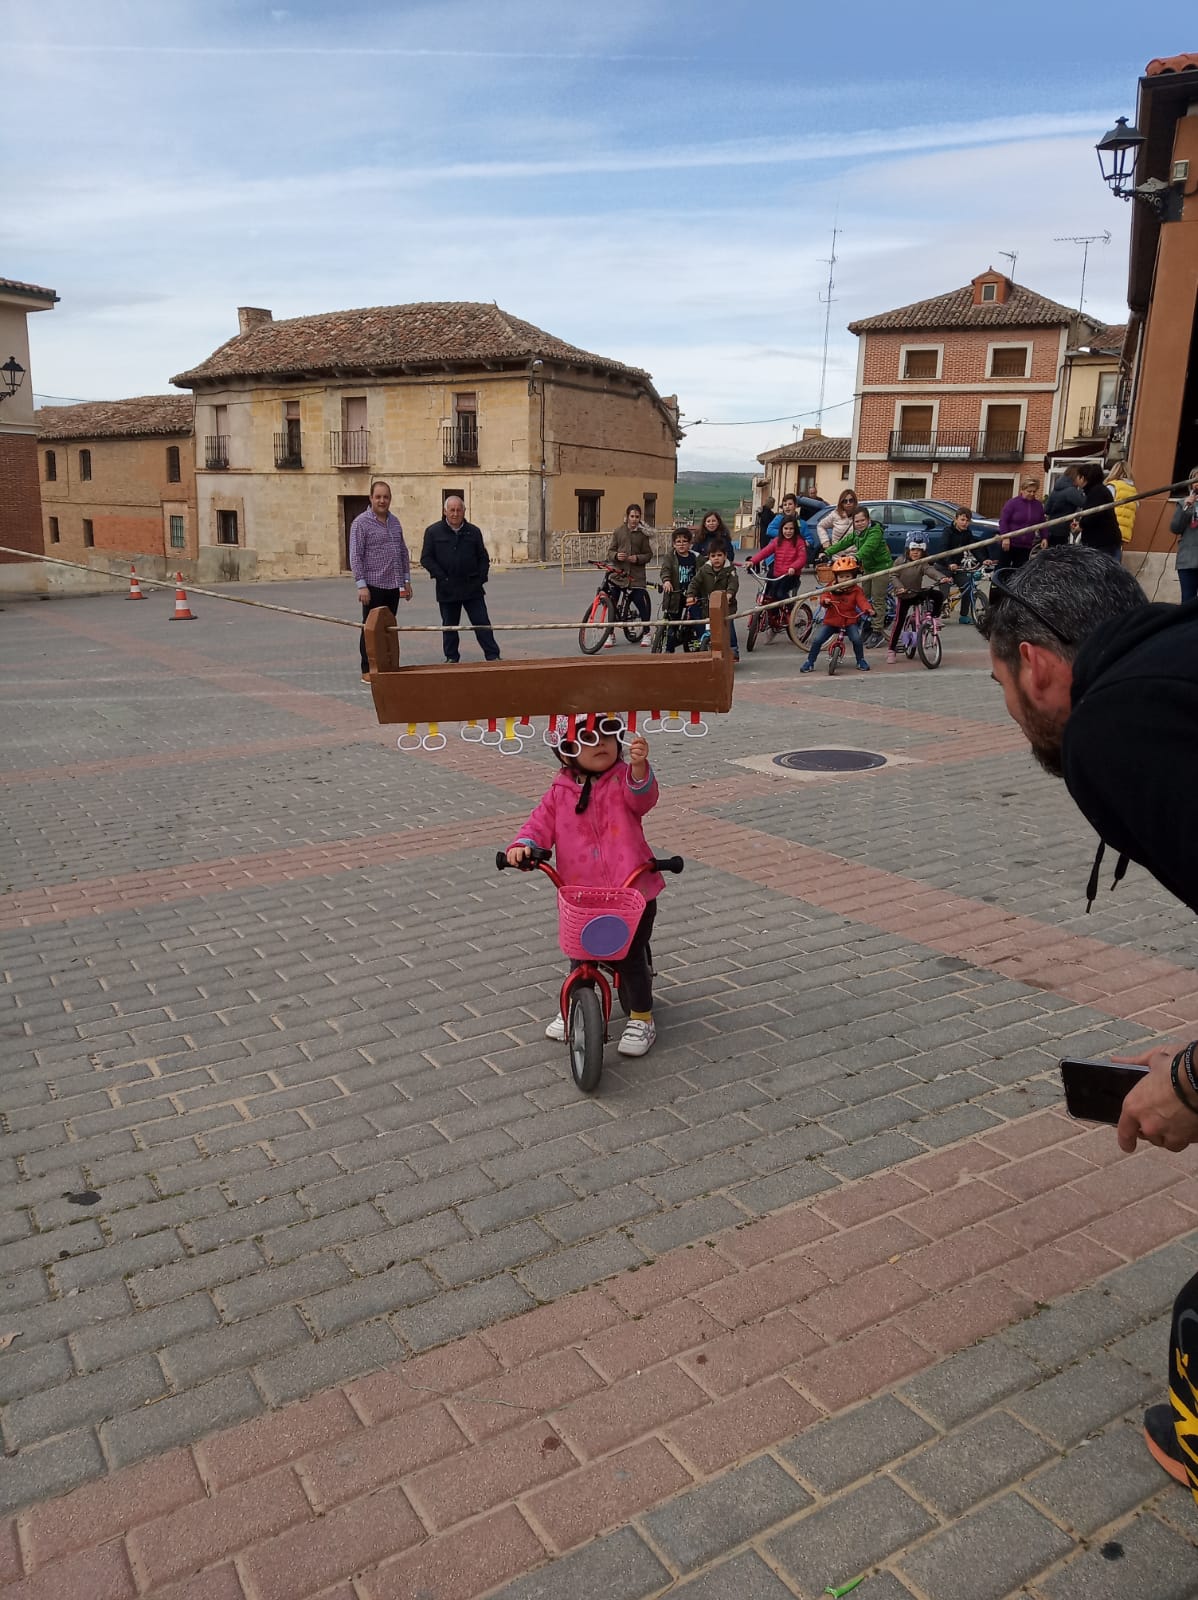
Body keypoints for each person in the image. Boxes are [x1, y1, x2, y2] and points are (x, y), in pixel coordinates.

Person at [976, 544, 1198, 1496]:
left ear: (1036, 664)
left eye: (1001, 688)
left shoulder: (1115, 725)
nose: (1012, 714)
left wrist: (1191, 1085)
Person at [506, 722, 662, 1058]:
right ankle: (576, 1003)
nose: (601, 744)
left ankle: (641, 1017)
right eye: (588, 738)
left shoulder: (622, 778)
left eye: (607, 735)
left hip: (632, 890)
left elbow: (642, 800)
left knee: (631, 958)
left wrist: (638, 769)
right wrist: (524, 845)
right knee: (580, 955)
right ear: (565, 750)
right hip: (582, 895)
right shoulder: (560, 789)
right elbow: (539, 823)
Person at [420, 496, 501, 663]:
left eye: (459, 510)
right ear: (445, 512)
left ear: (464, 511)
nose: (455, 514)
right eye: (452, 510)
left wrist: (480, 578)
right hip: (447, 588)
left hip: (472, 588)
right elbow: (426, 558)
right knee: (449, 625)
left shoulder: (474, 531)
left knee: (482, 623)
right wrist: (442, 578)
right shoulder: (433, 532)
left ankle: (493, 656)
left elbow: (483, 558)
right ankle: (451, 657)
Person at [350, 481, 411, 684]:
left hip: (393, 586)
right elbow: (355, 556)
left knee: (387, 628)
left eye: (385, 497)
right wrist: (361, 585)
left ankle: (386, 665)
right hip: (372, 586)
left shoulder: (395, 522)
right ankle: (367, 668)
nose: (382, 501)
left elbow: (402, 552)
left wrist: (406, 580)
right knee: (370, 629)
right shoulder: (361, 523)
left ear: (390, 499)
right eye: (378, 497)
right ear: (371, 498)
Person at [824, 506, 892, 636]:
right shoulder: (856, 534)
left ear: (868, 520)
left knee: (877, 598)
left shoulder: (875, 532)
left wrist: (857, 557)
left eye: (862, 520)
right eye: (857, 521)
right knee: (865, 598)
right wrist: (827, 552)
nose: (860, 524)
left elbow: (869, 547)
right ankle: (867, 625)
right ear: (853, 523)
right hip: (868, 568)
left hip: (881, 567)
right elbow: (843, 543)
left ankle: (877, 630)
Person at [800, 553, 873, 672]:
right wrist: (825, 601)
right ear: (836, 577)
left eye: (848, 576)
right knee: (818, 640)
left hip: (849, 621)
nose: (845, 579)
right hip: (831, 621)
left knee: (856, 639)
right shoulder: (831, 587)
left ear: (854, 577)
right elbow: (824, 596)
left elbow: (862, 601)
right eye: (842, 577)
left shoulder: (856, 590)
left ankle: (861, 660)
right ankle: (810, 662)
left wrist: (868, 609)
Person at [885, 539, 952, 663]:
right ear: (908, 550)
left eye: (919, 550)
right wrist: (899, 587)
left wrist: (941, 578)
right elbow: (893, 575)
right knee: (899, 622)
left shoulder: (922, 563)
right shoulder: (900, 561)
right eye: (913, 550)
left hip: (917, 592)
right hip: (904, 594)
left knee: (937, 595)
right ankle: (891, 650)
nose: (916, 553)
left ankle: (934, 617)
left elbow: (930, 570)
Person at [606, 503, 654, 645]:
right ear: (626, 517)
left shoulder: (642, 535)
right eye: (632, 516)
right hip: (618, 575)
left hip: (636, 576)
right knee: (611, 603)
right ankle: (610, 633)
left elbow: (649, 555)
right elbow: (609, 552)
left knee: (639, 601)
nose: (634, 519)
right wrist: (616, 556)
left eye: (637, 517)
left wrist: (638, 558)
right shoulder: (618, 532)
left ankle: (646, 632)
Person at [687, 543, 740, 660]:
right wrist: (690, 595)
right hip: (707, 605)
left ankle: (734, 649)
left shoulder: (730, 569)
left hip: (727, 606)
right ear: (709, 557)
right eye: (713, 556)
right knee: (701, 620)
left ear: (725, 556)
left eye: (719, 555)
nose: (716, 558)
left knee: (728, 626)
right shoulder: (704, 570)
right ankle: (703, 643)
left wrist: (729, 594)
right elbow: (694, 582)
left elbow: (733, 583)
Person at [747, 514, 807, 608]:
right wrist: (752, 561)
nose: (788, 531)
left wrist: (793, 567)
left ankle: (793, 611)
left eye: (791, 529)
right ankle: (773, 617)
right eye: (785, 528)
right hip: (777, 575)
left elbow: (802, 558)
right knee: (767, 595)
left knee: (780, 594)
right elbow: (765, 552)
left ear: (795, 529)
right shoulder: (777, 540)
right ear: (781, 529)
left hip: (790, 575)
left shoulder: (799, 542)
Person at [657, 526, 701, 653]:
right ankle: (669, 650)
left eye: (684, 541)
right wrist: (666, 581)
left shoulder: (696, 558)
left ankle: (696, 641)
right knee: (672, 624)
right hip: (674, 595)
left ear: (690, 544)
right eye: (678, 542)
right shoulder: (670, 557)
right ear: (673, 544)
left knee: (695, 619)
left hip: (691, 595)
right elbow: (665, 570)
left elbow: (702, 573)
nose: (681, 544)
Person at [1069, 462, 1122, 561]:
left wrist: (1081, 525)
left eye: (1078, 476)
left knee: (1102, 573)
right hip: (1106, 542)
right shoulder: (1099, 491)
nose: (1076, 479)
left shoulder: (1096, 492)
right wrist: (1081, 524)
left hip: (1102, 544)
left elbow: (1092, 514)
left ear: (1083, 478)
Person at [998, 476, 1046, 569]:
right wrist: (1005, 537)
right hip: (1009, 544)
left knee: (1020, 572)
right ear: (1022, 490)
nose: (1032, 494)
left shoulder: (1038, 506)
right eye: (1029, 491)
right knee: (1002, 570)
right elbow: (1003, 521)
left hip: (1026, 546)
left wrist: (1044, 537)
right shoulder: (1012, 503)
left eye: (1034, 491)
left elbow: (1042, 523)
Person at [944, 507, 979, 622]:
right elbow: (943, 550)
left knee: (967, 587)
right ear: (956, 519)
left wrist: (985, 559)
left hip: (957, 568)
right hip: (943, 566)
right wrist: (949, 564)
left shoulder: (967, 533)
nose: (965, 523)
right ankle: (935, 614)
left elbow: (974, 548)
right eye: (962, 520)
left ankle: (963, 615)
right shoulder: (948, 531)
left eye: (967, 521)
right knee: (943, 592)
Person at [1170, 466, 1198, 604]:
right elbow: (1175, 528)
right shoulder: (1183, 503)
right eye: (1195, 480)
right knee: (1188, 601)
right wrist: (1186, 508)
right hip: (1187, 560)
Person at [1043, 472, 1084, 546]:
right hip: (1062, 529)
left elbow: (1046, 509)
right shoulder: (1071, 491)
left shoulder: (1056, 489)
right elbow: (1083, 502)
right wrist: (1082, 490)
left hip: (1051, 527)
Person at [1105, 461, 1137, 551]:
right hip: (1124, 531)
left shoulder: (1113, 486)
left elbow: (1104, 505)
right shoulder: (1132, 489)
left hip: (1110, 529)